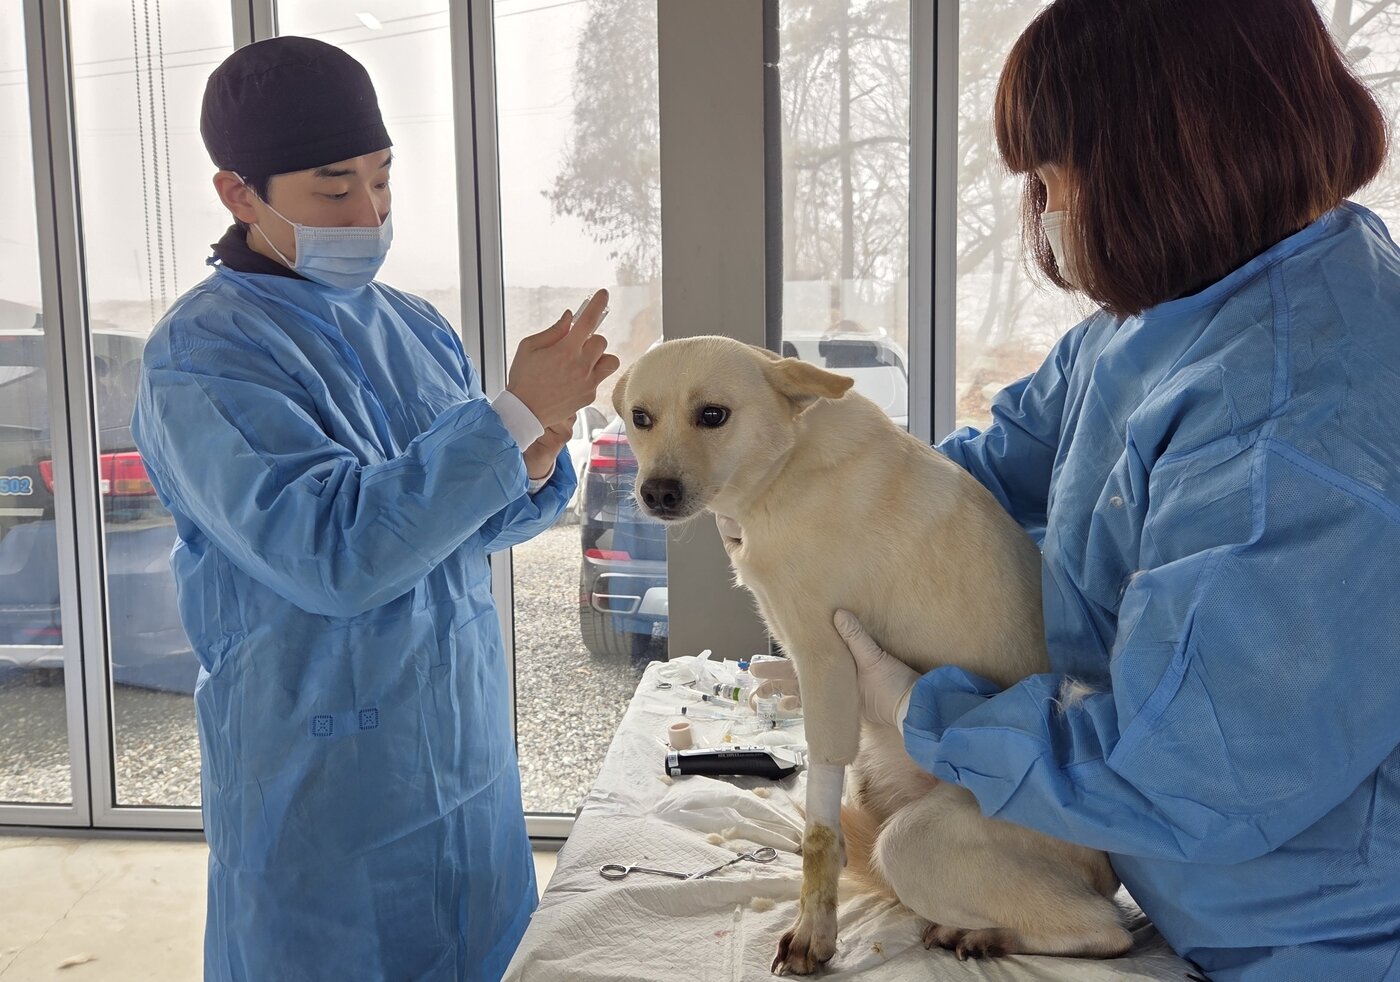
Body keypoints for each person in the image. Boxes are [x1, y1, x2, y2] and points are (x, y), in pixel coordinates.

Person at [832, 2, 1400, 980]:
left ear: (1159, 164)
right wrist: (842, 525)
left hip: (1318, 938)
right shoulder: (1165, 313)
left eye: (1050, 180)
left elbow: (1194, 766)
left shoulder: (1294, 426)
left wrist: (933, 714)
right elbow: (986, 471)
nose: (1041, 213)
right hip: (1198, 891)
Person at [131, 37, 617, 981]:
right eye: (334, 187)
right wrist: (508, 414)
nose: (370, 211)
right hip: (322, 796)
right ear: (241, 194)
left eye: (384, 180)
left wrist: (534, 455)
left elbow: (463, 535)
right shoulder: (201, 357)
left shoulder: (414, 325)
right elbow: (333, 554)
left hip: (464, 766)